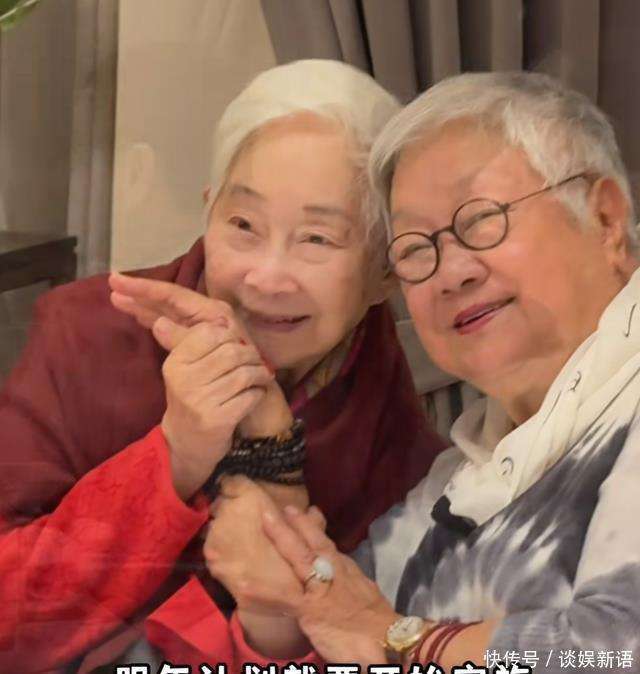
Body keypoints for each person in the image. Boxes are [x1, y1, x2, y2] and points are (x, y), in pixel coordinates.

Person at [159, 71, 640, 672]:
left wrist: (394, 638)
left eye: (481, 221)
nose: (451, 272)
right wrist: (275, 571)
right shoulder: (444, 489)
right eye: (415, 248)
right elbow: (332, 626)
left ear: (605, 218)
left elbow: (616, 650)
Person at [0, 60, 445, 673]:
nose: (266, 277)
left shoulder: (378, 390)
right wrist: (174, 456)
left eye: (317, 239)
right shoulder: (85, 330)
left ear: (384, 274)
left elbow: (374, 630)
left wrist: (275, 468)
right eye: (243, 225)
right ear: (208, 214)